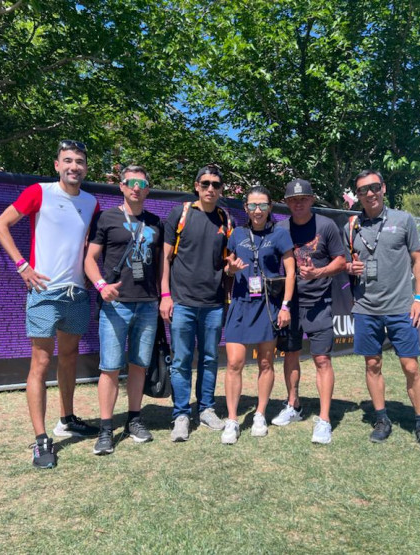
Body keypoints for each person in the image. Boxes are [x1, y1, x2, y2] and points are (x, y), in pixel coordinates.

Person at [0, 139, 99, 469]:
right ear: (57, 165)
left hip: (76, 293)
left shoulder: (91, 202)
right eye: (68, 160)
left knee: (69, 357)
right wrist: (22, 266)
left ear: (85, 167)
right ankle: (41, 441)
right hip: (44, 292)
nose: (74, 167)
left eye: (79, 161)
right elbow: (0, 225)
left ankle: (66, 419)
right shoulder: (39, 192)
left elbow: (86, 246)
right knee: (40, 362)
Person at [343, 170, 420, 451]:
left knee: (411, 366)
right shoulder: (351, 226)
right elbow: (346, 262)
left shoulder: (403, 219)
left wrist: (419, 298)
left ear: (383, 188)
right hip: (366, 307)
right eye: (363, 190)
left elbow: (418, 260)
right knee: (372, 365)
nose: (369, 194)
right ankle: (382, 419)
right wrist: (349, 267)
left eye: (374, 187)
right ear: (358, 196)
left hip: (401, 307)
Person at [85, 165, 163, 455]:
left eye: (141, 184)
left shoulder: (155, 222)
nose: (136, 188)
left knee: (139, 365)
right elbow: (90, 259)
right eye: (130, 182)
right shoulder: (107, 218)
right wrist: (101, 286)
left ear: (147, 189)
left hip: (147, 304)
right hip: (115, 305)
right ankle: (106, 429)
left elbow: (162, 263)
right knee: (109, 368)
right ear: (121, 186)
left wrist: (163, 296)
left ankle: (134, 419)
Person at [160, 165, 233, 442]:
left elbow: (227, 262)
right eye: (205, 183)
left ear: (221, 189)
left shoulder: (225, 219)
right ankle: (181, 414)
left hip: (213, 304)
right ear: (196, 186)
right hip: (182, 302)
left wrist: (231, 269)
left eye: (216, 184)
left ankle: (206, 409)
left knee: (210, 358)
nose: (210, 188)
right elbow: (165, 259)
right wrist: (165, 295)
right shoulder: (180, 214)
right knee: (181, 360)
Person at [271, 179, 347, 444]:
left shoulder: (326, 226)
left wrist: (319, 272)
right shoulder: (280, 228)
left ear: (312, 199)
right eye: (293, 200)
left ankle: (324, 419)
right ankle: (293, 405)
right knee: (290, 354)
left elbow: (341, 260)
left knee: (322, 359)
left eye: (303, 198)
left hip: (319, 303)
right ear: (287, 203)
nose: (298, 203)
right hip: (289, 304)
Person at [221, 186, 296, 444]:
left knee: (266, 363)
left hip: (268, 305)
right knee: (234, 363)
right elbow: (229, 268)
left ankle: (260, 414)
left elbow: (290, 272)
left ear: (270, 207)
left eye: (262, 205)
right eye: (252, 205)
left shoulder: (280, 235)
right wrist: (230, 271)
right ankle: (232, 420)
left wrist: (285, 306)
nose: (257, 210)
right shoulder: (237, 234)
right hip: (241, 304)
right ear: (245, 208)